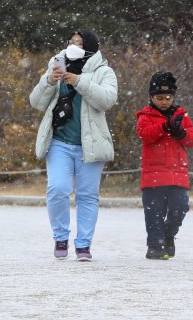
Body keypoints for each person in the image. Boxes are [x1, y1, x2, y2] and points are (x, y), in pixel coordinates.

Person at [29, 29, 118, 261]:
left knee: (87, 196)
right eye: (71, 42)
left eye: (79, 43)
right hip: (59, 142)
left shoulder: (103, 71)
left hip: (91, 145)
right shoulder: (56, 65)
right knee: (57, 189)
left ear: (90, 47)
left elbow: (107, 99)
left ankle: (83, 245)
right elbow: (36, 102)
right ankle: (60, 237)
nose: (73, 46)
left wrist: (79, 81)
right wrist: (50, 81)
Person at [136, 71, 193, 259]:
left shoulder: (181, 115)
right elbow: (144, 134)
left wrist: (180, 132)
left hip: (177, 173)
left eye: (168, 97)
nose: (164, 102)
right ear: (151, 97)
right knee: (154, 212)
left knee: (180, 207)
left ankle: (168, 235)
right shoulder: (145, 115)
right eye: (159, 98)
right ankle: (155, 245)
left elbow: (192, 140)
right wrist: (164, 127)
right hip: (153, 173)